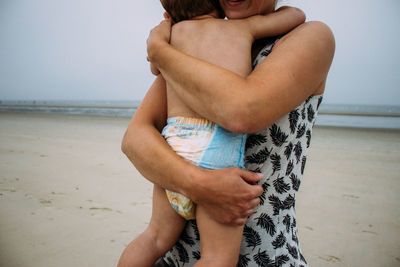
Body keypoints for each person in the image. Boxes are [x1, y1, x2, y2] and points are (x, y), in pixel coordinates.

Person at [121, 0, 335, 266]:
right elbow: (134, 140)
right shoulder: (197, 46)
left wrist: (160, 52)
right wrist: (200, 185)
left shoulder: (310, 37)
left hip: (264, 257)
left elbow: (243, 112)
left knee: (153, 237)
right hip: (175, 259)